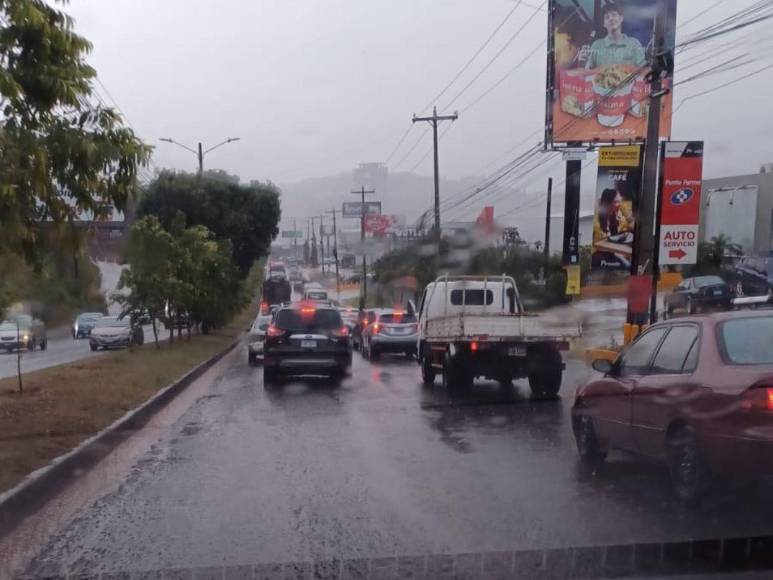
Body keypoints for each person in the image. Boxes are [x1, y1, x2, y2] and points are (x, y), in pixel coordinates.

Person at [585, 2, 646, 69]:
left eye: (614, 15)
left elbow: (643, 71)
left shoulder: (634, 44)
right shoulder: (596, 45)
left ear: (621, 18)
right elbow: (588, 71)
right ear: (604, 24)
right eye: (607, 17)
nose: (611, 19)